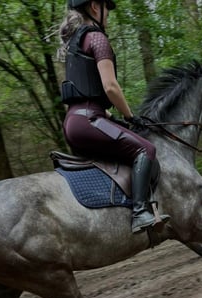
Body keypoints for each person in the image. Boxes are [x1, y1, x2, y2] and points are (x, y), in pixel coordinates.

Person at [58, 0, 169, 234]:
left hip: (73, 122)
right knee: (145, 150)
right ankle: (140, 213)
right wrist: (129, 116)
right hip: (89, 121)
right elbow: (110, 87)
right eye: (106, 9)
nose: (108, 14)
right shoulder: (97, 38)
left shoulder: (74, 43)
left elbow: (84, 93)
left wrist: (109, 115)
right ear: (95, 7)